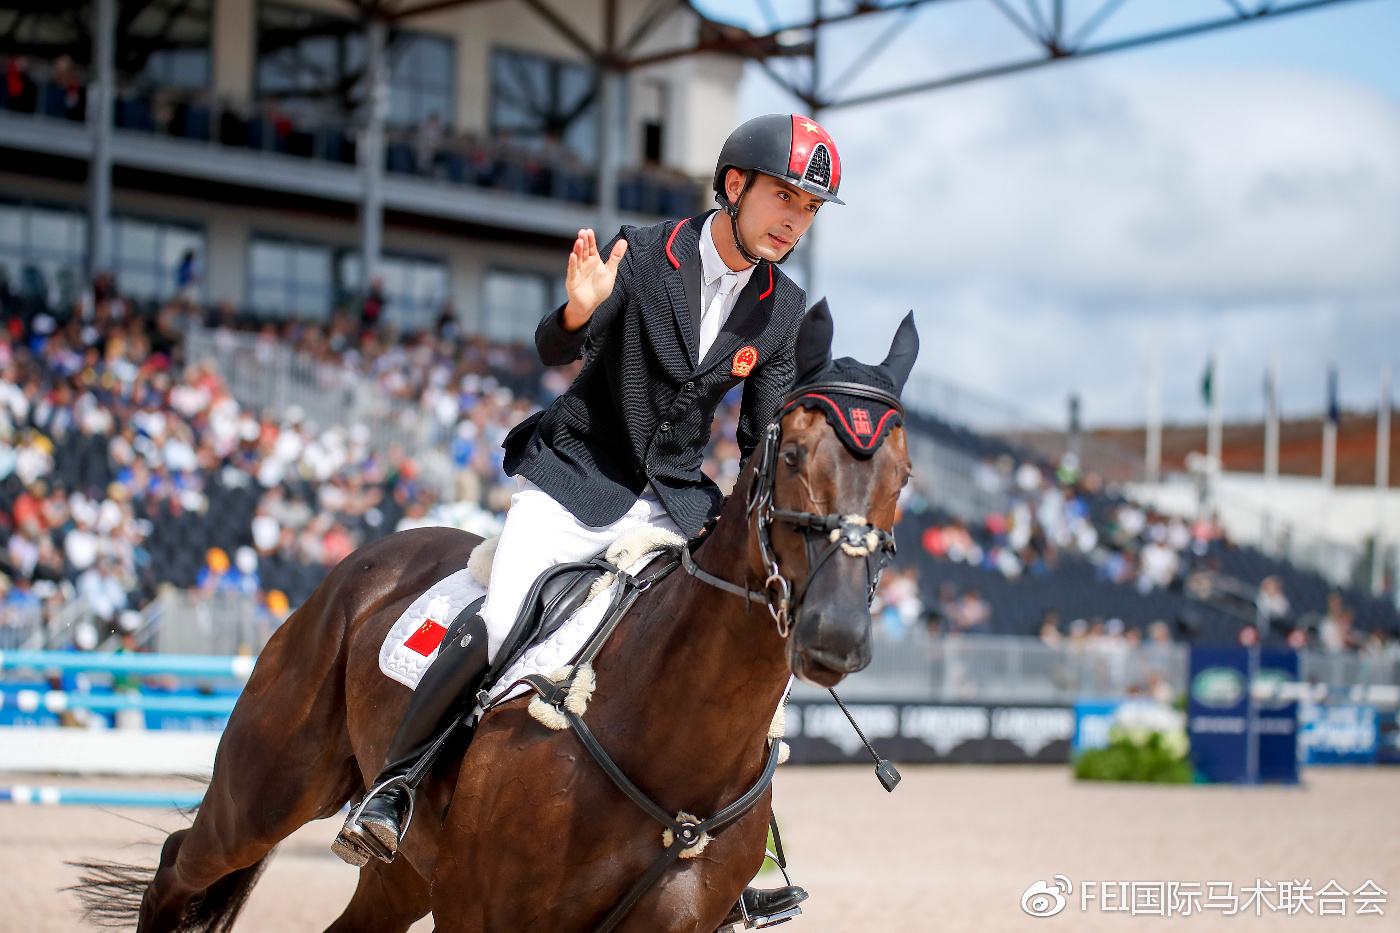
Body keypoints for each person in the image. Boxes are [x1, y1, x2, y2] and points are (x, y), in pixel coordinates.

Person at [334, 113, 844, 915]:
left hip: (676, 501)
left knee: (749, 664)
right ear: (736, 184)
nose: (794, 219)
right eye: (785, 195)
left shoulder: (784, 309)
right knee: (507, 617)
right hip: (578, 477)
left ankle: (745, 852)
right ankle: (395, 789)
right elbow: (552, 346)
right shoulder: (643, 254)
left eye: (809, 209)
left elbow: (759, 441)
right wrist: (577, 313)